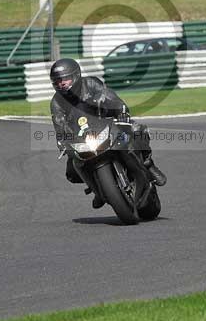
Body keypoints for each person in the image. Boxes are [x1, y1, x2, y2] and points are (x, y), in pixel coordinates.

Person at [49, 58, 167, 208]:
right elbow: (59, 123)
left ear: (76, 76)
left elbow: (110, 97)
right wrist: (62, 141)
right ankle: (97, 189)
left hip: (106, 123)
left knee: (136, 131)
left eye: (65, 79)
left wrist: (121, 110)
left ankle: (148, 164)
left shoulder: (91, 83)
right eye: (57, 81)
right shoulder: (56, 102)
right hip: (83, 137)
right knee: (72, 169)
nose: (62, 84)